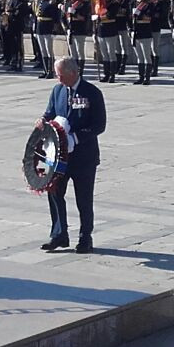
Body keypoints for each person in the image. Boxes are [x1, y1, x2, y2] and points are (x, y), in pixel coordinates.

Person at [36, 57, 105, 254]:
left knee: (84, 198)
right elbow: (50, 112)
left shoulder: (92, 93)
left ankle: (85, 237)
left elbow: (99, 125)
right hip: (60, 156)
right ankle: (59, 234)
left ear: (73, 73)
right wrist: (42, 120)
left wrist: (76, 137)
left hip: (84, 156)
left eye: (60, 75)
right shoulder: (58, 90)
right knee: (54, 192)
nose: (58, 78)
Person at [130, 0, 158, 85]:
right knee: (139, 56)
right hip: (136, 31)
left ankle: (147, 77)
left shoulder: (149, 4)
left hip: (145, 30)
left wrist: (140, 15)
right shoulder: (133, 3)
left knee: (146, 55)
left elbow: (150, 17)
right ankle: (141, 77)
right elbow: (130, 17)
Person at [33, 0, 61, 79]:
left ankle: (51, 71)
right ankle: (45, 70)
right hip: (40, 28)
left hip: (48, 27)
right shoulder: (39, 1)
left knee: (49, 50)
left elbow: (56, 17)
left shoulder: (51, 2)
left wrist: (55, 29)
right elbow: (37, 16)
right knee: (43, 50)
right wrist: (35, 30)